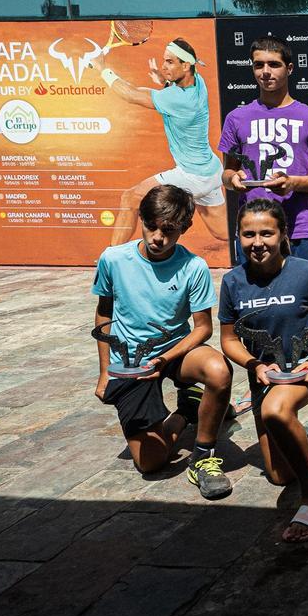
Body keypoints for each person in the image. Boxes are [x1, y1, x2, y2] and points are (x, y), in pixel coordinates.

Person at [219, 36, 308, 415]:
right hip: (255, 232)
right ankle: (256, 376)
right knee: (253, 311)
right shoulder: (237, 118)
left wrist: (295, 182)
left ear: (290, 68)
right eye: (258, 65)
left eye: (274, 64)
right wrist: (233, 179)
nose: (265, 72)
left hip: (301, 228)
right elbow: (225, 171)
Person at [218, 198, 308, 542]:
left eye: (266, 233)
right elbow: (229, 340)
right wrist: (254, 364)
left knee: (276, 411)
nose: (257, 242)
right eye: (248, 234)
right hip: (265, 376)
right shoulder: (233, 282)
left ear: (283, 234)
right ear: (238, 236)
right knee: (279, 474)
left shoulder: (307, 272)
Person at [92, 184, 233, 499]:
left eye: (168, 230)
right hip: (130, 362)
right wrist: (105, 372)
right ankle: (188, 410)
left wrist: (165, 359)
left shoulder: (193, 267)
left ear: (184, 228)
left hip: (176, 352)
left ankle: (204, 455)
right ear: (141, 218)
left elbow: (202, 329)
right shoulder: (113, 259)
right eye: (150, 225)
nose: (157, 236)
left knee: (219, 371)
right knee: (151, 464)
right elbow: (103, 315)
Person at [96, 38, 227, 247]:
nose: (164, 66)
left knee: (129, 199)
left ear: (185, 65)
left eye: (170, 62)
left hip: (191, 175)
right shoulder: (197, 82)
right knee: (225, 232)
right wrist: (164, 80)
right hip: (211, 170)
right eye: (164, 61)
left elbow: (131, 94)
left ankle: (111, 261)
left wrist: (102, 68)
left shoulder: (177, 99)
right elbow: (174, 87)